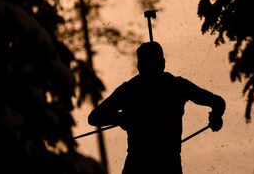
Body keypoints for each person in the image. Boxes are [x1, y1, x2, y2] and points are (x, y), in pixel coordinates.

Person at [88, 41, 226, 174]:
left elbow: (95, 117)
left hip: (142, 164)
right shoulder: (176, 86)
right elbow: (217, 102)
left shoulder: (130, 89)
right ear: (162, 63)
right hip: (162, 163)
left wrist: (123, 118)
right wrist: (216, 115)